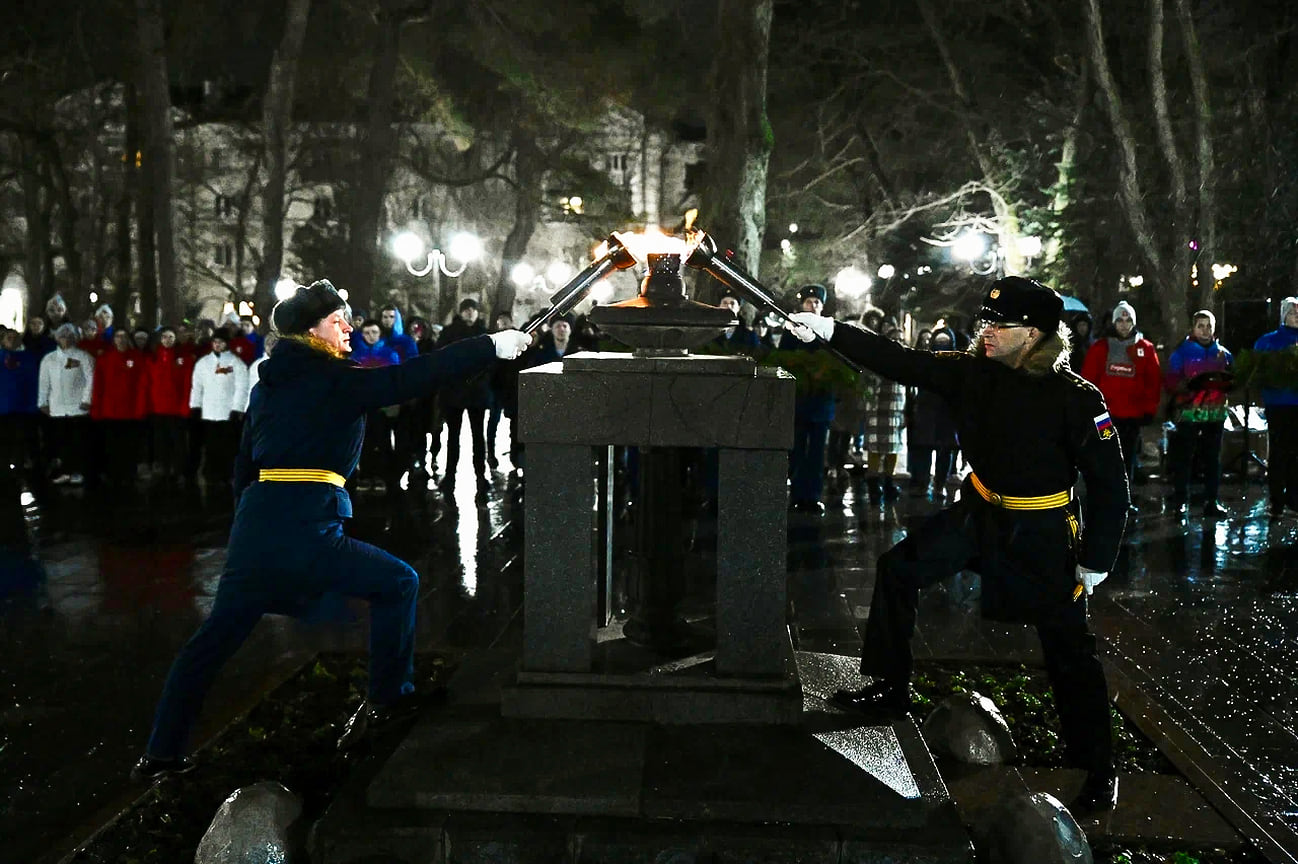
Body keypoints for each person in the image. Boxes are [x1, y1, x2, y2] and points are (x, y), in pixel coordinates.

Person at [131, 280, 532, 780]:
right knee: (399, 583)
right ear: (310, 332)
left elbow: (243, 466)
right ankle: (388, 701)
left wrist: (250, 524)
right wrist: (490, 346)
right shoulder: (333, 378)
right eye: (337, 320)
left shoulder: (269, 385)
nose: (347, 328)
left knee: (211, 643)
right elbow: (411, 378)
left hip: (258, 525)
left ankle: (159, 754)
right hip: (308, 521)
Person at [789, 276, 1129, 813]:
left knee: (1068, 648)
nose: (986, 331)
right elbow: (899, 360)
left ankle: (1098, 766)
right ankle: (888, 685)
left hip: (1041, 530)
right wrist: (830, 329)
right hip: (979, 512)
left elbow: (1112, 486)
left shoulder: (1076, 398)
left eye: (1001, 324)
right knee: (898, 569)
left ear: (1036, 335)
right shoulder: (972, 374)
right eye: (984, 322)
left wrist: (1095, 560)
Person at [1080, 301, 1162, 497]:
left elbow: (1153, 382)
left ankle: (1124, 497)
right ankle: (1104, 496)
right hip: (1105, 416)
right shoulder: (1100, 348)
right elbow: (1088, 381)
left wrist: (1149, 409)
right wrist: (1089, 409)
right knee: (1105, 453)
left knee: (1128, 455)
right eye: (1120, 320)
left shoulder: (1146, 348)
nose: (1124, 325)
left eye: (1128, 320)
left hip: (1132, 415)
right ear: (1113, 323)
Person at [1164, 310, 1233, 517]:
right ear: (1193, 328)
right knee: (1185, 459)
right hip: (1189, 413)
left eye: (1208, 326)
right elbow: (1170, 381)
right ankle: (1180, 503)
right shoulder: (1182, 353)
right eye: (1200, 326)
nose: (1205, 330)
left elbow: (1233, 379)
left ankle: (1211, 501)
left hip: (1215, 414)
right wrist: (1186, 386)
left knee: (1213, 460)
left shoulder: (1223, 353)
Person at [786, 284, 836, 514]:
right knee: (797, 451)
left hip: (821, 403)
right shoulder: (791, 330)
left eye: (817, 302)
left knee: (816, 453)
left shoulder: (829, 330)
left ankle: (812, 496)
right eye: (809, 302)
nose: (813, 305)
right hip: (797, 402)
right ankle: (797, 493)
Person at [438, 298, 493, 500]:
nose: (470, 313)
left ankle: (480, 476)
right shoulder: (450, 332)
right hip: (455, 392)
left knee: (479, 437)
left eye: (473, 310)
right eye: (466, 310)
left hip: (476, 392)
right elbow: (442, 358)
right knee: (453, 437)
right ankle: (450, 475)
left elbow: (492, 361)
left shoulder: (484, 333)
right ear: (461, 312)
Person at [1252, 296, 1298, 519]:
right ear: (1283, 315)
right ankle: (1277, 500)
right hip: (1279, 405)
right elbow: (1257, 372)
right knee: (1279, 453)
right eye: (1293, 312)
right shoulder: (1268, 341)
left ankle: (1295, 498)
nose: (1297, 316)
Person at [189, 327, 250, 485]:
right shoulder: (203, 363)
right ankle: (211, 476)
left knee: (227, 448)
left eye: (221, 342)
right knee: (210, 448)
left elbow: (242, 386)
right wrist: (195, 406)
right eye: (215, 342)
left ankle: (227, 475)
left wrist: (237, 408)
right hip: (208, 413)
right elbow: (197, 386)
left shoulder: (235, 363)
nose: (217, 345)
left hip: (227, 413)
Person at [38, 323, 95, 486]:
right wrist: (42, 402)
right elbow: (44, 382)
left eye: (69, 336)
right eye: (62, 336)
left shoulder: (84, 357)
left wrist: (87, 400)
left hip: (78, 407)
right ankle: (65, 471)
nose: (66, 339)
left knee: (78, 441)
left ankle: (78, 471)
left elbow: (90, 380)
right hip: (57, 407)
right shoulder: (49, 359)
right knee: (62, 441)